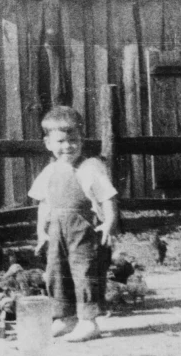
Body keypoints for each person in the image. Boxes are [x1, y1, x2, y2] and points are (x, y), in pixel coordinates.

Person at [28, 106, 118, 342]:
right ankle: (65, 318)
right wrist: (41, 231)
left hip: (83, 229)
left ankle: (88, 321)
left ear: (82, 140)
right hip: (57, 229)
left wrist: (109, 222)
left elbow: (107, 196)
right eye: (61, 141)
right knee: (57, 272)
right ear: (48, 143)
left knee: (84, 272)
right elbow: (44, 204)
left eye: (73, 140)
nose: (68, 146)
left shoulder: (90, 167)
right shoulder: (50, 170)